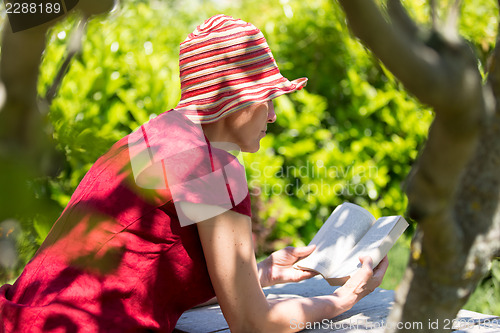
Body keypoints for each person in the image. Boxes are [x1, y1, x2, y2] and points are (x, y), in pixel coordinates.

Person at [0, 14, 388, 332]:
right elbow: (254, 324)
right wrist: (343, 299)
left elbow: (145, 273)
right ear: (236, 96)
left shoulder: (152, 138)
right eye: (267, 98)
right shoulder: (211, 165)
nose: (272, 114)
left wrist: (264, 272)